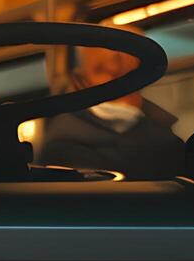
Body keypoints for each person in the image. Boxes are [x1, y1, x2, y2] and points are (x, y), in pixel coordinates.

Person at [40, 36, 186, 180]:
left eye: (126, 69)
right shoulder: (66, 144)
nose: (116, 77)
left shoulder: (157, 125)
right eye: (103, 71)